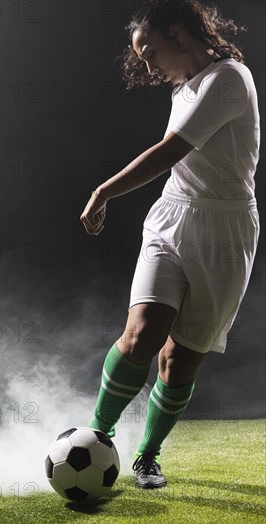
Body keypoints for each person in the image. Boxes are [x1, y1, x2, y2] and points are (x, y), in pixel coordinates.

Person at [80, 0, 260, 489]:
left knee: (180, 358)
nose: (148, 67)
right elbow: (175, 167)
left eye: (150, 54)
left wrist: (103, 190)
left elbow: (170, 152)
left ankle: (147, 456)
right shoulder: (183, 88)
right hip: (170, 219)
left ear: (179, 36)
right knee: (142, 333)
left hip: (226, 233)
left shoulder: (230, 79)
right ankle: (96, 435)